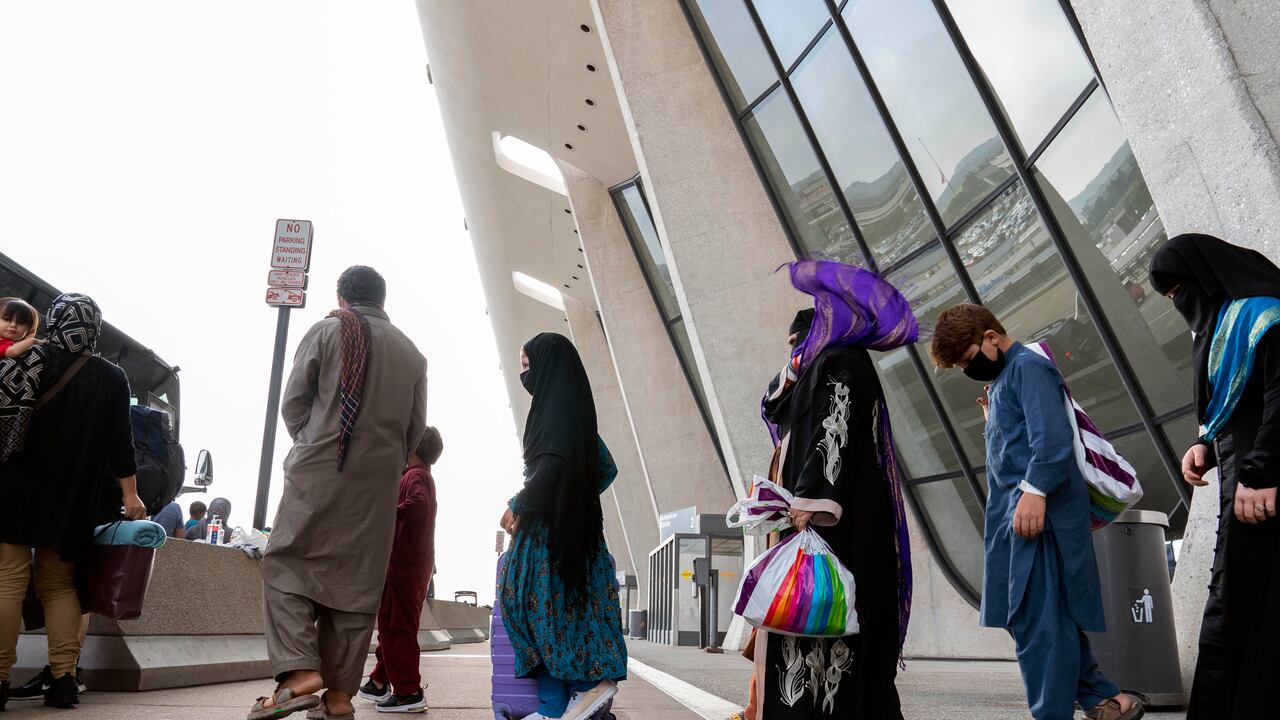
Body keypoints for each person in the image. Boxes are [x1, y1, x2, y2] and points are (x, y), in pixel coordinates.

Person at [930, 303, 1143, 720]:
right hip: (1018, 520)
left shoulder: (1027, 368)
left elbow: (1053, 440)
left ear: (992, 336)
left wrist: (1035, 491)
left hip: (1037, 521)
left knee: (1039, 623)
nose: (970, 368)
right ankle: (1105, 699)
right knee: (1035, 619)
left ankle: (1062, 711)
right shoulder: (1010, 377)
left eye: (970, 358)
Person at [249, 266, 427, 720]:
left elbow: (293, 404)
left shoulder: (327, 331)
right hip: (377, 491)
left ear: (341, 297)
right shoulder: (412, 355)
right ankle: (340, 697)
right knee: (354, 589)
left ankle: (300, 672)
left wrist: (313, 445)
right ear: (383, 300)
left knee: (285, 567)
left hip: (319, 474)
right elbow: (414, 433)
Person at [752, 261, 916, 719]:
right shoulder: (817, 366)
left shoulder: (841, 363)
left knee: (830, 626)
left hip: (840, 527)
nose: (796, 349)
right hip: (833, 523)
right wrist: (793, 366)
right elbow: (774, 406)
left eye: (801, 339)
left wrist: (808, 499)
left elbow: (833, 434)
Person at [1148, 233, 1280, 719]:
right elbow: (1226, 409)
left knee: (1250, 603)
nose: (1178, 305)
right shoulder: (1221, 327)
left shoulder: (1265, 315)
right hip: (1240, 487)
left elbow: (1278, 396)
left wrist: (1262, 470)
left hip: (1260, 490)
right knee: (1239, 603)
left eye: (1178, 292)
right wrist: (1203, 443)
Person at [0, 294, 147, 711]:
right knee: (59, 584)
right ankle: (64, 680)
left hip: (12, 487)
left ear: (54, 322)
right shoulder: (111, 376)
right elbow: (122, 442)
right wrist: (130, 494)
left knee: (7, 580)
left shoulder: (26, 359)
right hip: (71, 494)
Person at [498, 333, 626, 720]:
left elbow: (552, 466)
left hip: (550, 539)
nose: (524, 374)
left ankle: (577, 697)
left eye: (527, 365)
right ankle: (555, 709)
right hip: (577, 534)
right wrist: (576, 495)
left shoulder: (553, 415)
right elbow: (604, 467)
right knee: (564, 622)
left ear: (547, 366)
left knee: (543, 618)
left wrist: (524, 502)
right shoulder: (575, 417)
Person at [359, 426, 442, 714]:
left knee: (396, 627)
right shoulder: (423, 476)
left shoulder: (415, 476)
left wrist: (388, 511)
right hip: (414, 565)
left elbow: (416, 505)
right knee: (396, 624)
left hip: (404, 565)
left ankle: (408, 692)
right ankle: (380, 681)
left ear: (414, 448)